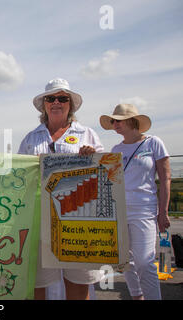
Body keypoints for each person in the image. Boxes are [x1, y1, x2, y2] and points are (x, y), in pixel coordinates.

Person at [18, 78, 104, 300]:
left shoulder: (87, 134)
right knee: (37, 283)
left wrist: (92, 156)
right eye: (51, 98)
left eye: (62, 98)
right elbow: (18, 176)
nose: (56, 102)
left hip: (78, 218)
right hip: (39, 216)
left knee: (77, 283)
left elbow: (106, 172)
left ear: (71, 104)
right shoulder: (30, 138)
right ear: (44, 104)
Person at [100, 104, 171, 300]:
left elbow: (165, 178)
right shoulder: (116, 149)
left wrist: (163, 212)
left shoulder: (154, 143)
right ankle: (136, 296)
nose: (114, 124)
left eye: (118, 120)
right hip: (119, 209)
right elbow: (108, 179)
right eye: (112, 121)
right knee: (125, 259)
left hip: (144, 209)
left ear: (132, 121)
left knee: (144, 261)